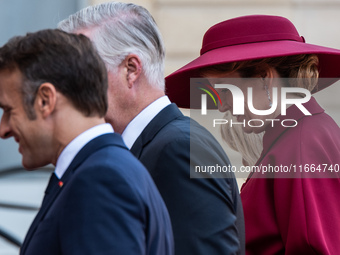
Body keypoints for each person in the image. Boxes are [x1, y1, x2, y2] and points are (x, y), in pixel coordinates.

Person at [59, 2, 245, 255]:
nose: (69, 88)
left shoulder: (176, 150)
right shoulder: (157, 145)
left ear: (131, 70)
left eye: (81, 72)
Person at [166, 15, 340, 254]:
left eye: (224, 90)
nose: (222, 106)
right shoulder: (300, 134)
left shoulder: (301, 142)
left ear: (264, 77)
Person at [0, 29, 174, 255]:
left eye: (8, 110)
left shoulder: (100, 179)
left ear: (45, 100)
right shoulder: (103, 170)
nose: (3, 129)